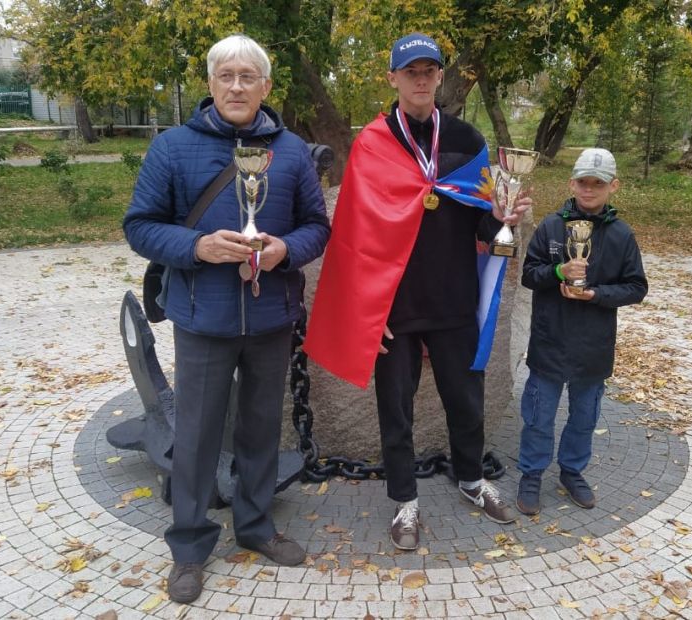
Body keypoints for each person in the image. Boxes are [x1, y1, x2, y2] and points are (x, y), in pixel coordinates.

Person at [123, 34, 330, 603]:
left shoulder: (291, 151)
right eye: (226, 76)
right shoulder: (173, 147)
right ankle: (190, 547)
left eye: (248, 77)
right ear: (211, 84)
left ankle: (256, 526)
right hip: (202, 318)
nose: (236, 86)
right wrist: (197, 247)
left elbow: (317, 226)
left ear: (266, 86)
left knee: (261, 428)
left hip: (270, 316)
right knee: (195, 436)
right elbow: (140, 226)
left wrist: (286, 250)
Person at [304, 32, 531, 550]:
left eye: (429, 70)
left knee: (465, 400)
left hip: (454, 299)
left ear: (440, 76)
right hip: (395, 307)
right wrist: (368, 312)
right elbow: (354, 237)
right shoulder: (372, 143)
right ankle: (404, 500)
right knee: (396, 408)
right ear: (393, 78)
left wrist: (502, 219)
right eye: (411, 71)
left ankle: (471, 479)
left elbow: (482, 226)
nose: (421, 79)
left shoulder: (467, 140)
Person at [515, 147, 648, 516]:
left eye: (598, 184)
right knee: (538, 416)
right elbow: (529, 275)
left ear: (613, 186)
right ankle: (532, 473)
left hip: (593, 346)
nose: (589, 189)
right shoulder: (551, 226)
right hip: (550, 341)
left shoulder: (621, 235)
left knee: (584, 418)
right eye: (583, 182)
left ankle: (572, 471)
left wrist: (596, 294)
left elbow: (636, 288)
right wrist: (559, 272)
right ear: (571, 183)